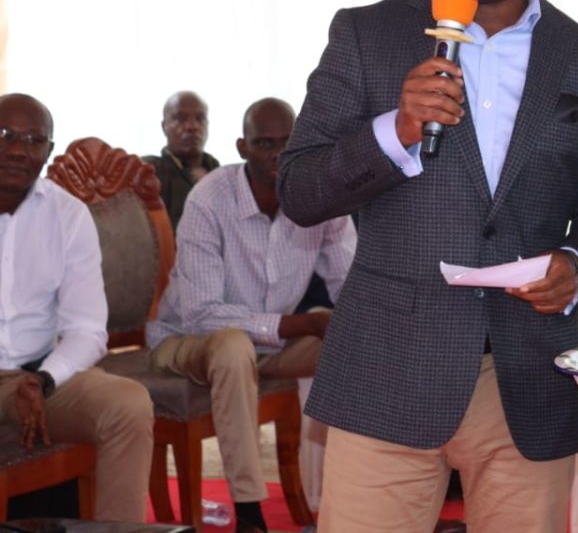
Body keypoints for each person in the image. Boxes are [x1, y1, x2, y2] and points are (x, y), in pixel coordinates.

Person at [278, 0, 578, 533]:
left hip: (527, 373)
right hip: (388, 367)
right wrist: (396, 130)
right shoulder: (366, 35)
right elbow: (299, 189)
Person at [147, 97, 356, 533]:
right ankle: (248, 513)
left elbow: (349, 286)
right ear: (242, 147)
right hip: (184, 341)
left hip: (268, 344)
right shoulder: (210, 199)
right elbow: (202, 315)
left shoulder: (319, 197)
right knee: (232, 344)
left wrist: (354, 321)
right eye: (264, 143)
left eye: (286, 142)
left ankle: (353, 499)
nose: (277, 153)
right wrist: (305, 324)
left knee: (356, 341)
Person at [0, 93, 154, 522]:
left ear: (48, 152)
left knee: (127, 404)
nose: (16, 149)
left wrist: (44, 380)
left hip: (38, 376)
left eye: (33, 140)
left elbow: (87, 329)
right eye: (4, 135)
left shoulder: (67, 215)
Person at [144, 90, 219, 230]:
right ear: (164, 127)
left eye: (200, 118)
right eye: (180, 118)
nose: (192, 126)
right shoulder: (151, 171)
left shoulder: (222, 175)